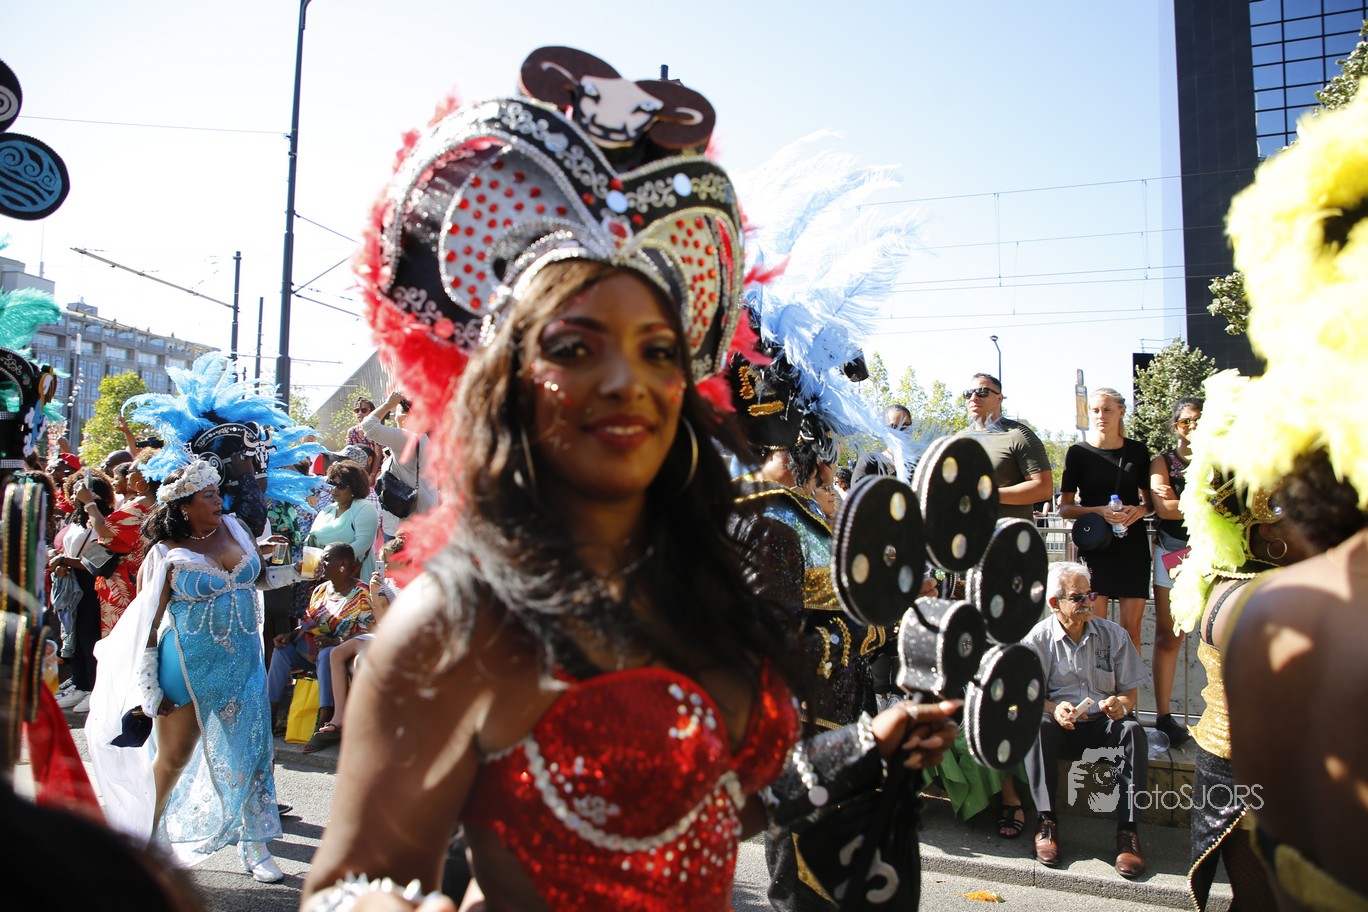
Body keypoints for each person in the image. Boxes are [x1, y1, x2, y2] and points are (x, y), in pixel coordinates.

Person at [304, 48, 956, 910]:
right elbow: (348, 887)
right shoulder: (457, 623)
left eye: (657, 349)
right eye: (577, 347)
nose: (626, 381)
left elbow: (706, 810)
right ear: (511, 381)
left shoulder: (700, 586)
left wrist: (864, 747)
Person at [86, 459, 289, 883]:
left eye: (217, 493)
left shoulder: (237, 528)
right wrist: (149, 687)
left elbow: (256, 580)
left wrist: (294, 572)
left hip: (243, 664)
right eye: (209, 495)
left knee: (252, 755)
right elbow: (147, 624)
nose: (219, 501)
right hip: (186, 667)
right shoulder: (163, 553)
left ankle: (256, 846)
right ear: (184, 506)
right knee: (173, 759)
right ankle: (143, 843)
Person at [1022, 560, 1150, 878]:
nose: (1087, 603)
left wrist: (1120, 705)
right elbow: (1029, 697)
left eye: (1090, 595)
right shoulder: (1037, 640)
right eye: (1077, 597)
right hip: (1061, 725)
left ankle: (1128, 833)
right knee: (1037, 726)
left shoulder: (1113, 635)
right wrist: (1054, 708)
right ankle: (1046, 822)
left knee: (1132, 730)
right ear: (1055, 603)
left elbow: (1129, 693)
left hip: (1100, 724)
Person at [1058, 388, 1152, 647]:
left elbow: (1150, 503)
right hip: (1095, 547)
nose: (1101, 415)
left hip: (1132, 546)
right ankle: (1096, 676)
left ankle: (1129, 676)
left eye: (1107, 410)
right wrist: (1098, 510)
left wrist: (1140, 510)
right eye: (1096, 410)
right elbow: (1065, 508)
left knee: (1131, 632)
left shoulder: (1138, 451)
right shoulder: (1078, 453)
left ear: (1121, 412)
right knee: (1093, 628)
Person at [266, 541, 374, 749]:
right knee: (282, 652)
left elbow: (366, 633)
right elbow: (309, 623)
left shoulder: (361, 593)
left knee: (327, 653)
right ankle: (269, 715)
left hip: (342, 654)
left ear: (343, 564)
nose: (320, 563)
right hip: (312, 649)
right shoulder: (320, 589)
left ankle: (325, 721)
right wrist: (290, 635)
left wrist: (335, 641)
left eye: (326, 559)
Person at [312, 533, 406, 749]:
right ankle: (339, 716)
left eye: (388, 562)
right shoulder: (386, 584)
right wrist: (375, 594)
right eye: (382, 562)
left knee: (359, 661)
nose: (384, 567)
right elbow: (382, 621)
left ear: (403, 561)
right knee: (336, 653)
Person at [1147, 397, 1202, 747]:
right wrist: (1206, 502)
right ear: (1175, 426)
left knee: (1218, 635)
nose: (1192, 426)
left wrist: (1180, 502)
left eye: (1198, 420)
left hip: (1216, 555)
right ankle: (1164, 717)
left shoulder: (1221, 460)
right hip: (1173, 553)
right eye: (1185, 421)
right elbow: (1164, 509)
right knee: (1170, 636)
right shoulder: (1162, 462)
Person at [72, 459, 159, 639]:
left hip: (125, 582)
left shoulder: (141, 504)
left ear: (145, 476)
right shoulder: (156, 502)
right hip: (140, 575)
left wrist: (89, 502)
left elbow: (103, 528)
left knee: (122, 637)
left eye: (132, 471)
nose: (127, 476)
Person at [962, 373, 1053, 523]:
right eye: (968, 394)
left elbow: (1043, 489)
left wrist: (989, 494)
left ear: (999, 398)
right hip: (966, 534)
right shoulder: (959, 439)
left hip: (1008, 535)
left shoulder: (1018, 435)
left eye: (982, 392)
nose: (973, 398)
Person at [360, 390, 437, 541]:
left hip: (404, 526)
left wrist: (388, 404)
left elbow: (368, 426)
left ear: (405, 417)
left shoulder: (407, 438)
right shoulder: (424, 439)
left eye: (395, 413)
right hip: (423, 519)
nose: (393, 417)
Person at [305, 460, 380, 581]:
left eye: (341, 485)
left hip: (353, 579)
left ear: (355, 487)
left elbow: (363, 544)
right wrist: (310, 571)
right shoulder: (327, 510)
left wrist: (328, 562)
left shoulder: (364, 508)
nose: (334, 489)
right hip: (322, 579)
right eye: (331, 483)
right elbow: (311, 541)